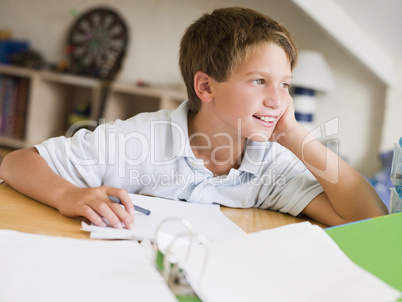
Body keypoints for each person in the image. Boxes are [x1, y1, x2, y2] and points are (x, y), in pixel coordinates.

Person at [0, 7, 388, 230]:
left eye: (285, 84)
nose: (277, 99)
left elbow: (370, 220)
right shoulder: (138, 141)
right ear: (205, 87)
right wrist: (68, 194)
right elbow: (17, 162)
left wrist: (293, 133)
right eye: (259, 81)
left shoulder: (271, 164)